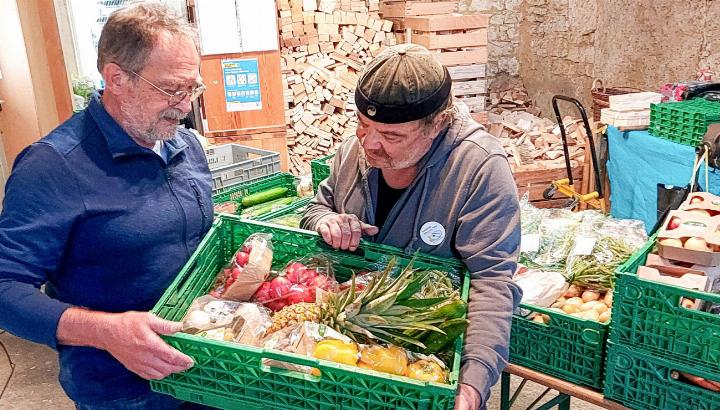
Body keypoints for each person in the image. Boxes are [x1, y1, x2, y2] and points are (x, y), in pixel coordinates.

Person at [0, 3, 214, 409]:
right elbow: (4, 288)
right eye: (172, 89)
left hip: (207, 374)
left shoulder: (185, 146)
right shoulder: (53, 166)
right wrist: (106, 331)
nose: (186, 105)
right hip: (123, 392)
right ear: (116, 78)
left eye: (194, 88)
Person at [301, 43, 522, 410]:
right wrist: (327, 220)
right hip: (345, 352)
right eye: (362, 124)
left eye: (391, 137)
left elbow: (492, 282)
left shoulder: (480, 168)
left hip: (425, 362)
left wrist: (472, 383)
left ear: (436, 124)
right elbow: (318, 207)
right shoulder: (352, 151)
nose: (370, 143)